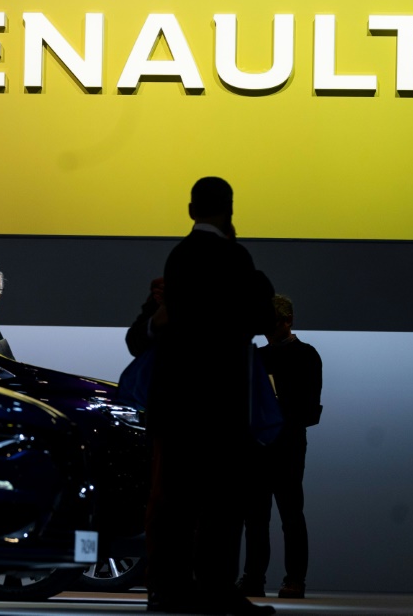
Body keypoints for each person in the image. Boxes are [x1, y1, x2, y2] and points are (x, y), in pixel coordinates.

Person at [144, 177, 276, 615]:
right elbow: (260, 317)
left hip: (177, 402)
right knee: (222, 502)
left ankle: (170, 590)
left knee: (175, 502)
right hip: (221, 402)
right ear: (230, 209)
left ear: (191, 210)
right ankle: (217, 588)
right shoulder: (236, 258)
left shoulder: (178, 257)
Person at [237, 294, 323, 600]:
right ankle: (259, 578)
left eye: (271, 323)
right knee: (259, 516)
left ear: (287, 321)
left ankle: (288, 579)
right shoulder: (263, 356)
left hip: (283, 443)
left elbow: (308, 406)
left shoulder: (305, 355)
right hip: (266, 444)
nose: (266, 329)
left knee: (286, 514)